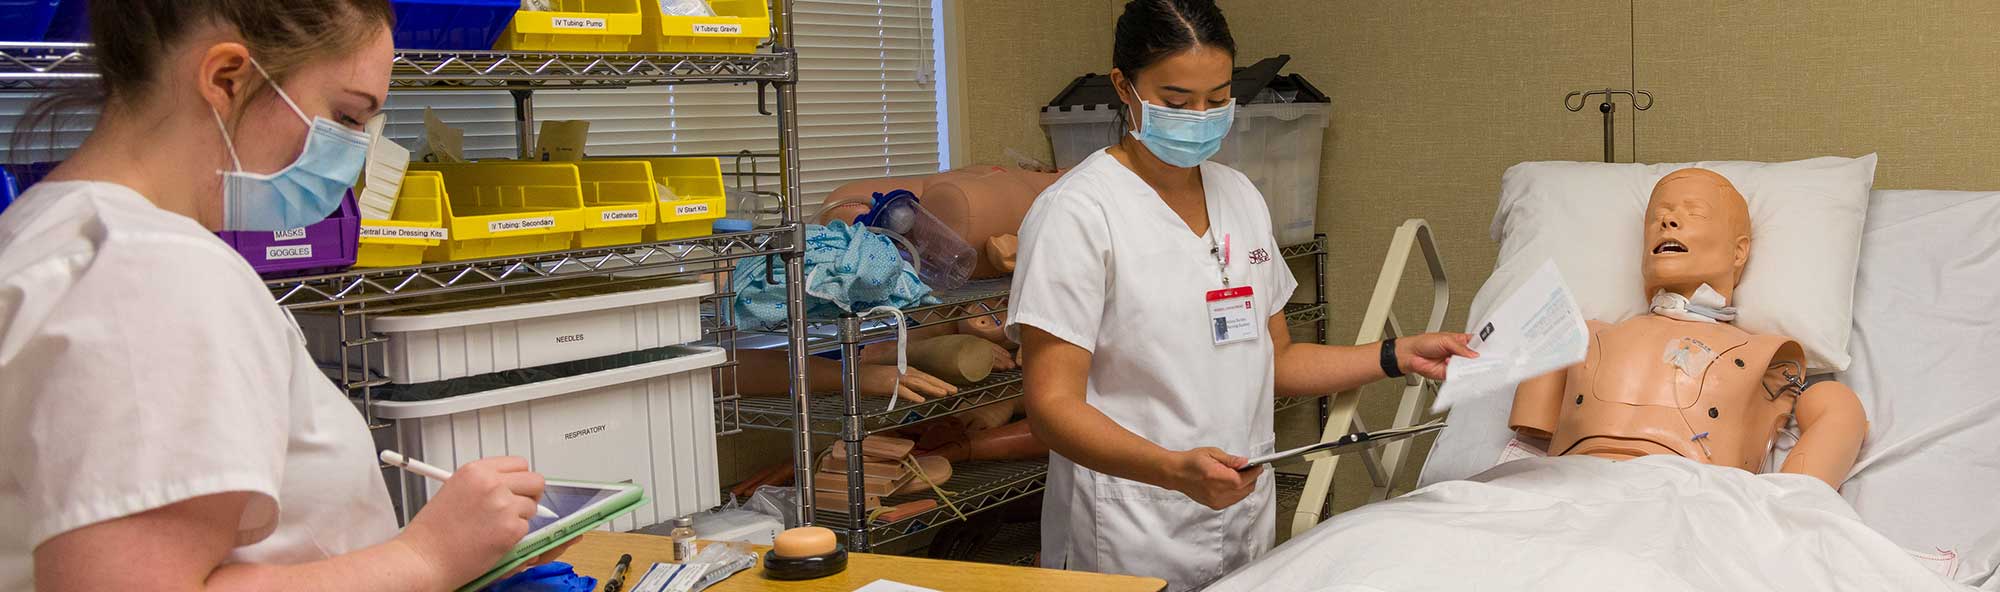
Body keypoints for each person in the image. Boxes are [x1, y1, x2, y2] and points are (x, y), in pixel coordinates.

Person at [1, 2, 556, 590]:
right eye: (345, 115)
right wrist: (429, 558)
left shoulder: (51, 226)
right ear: (226, 79)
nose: (354, 153)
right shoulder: (151, 270)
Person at [1006, 1, 1476, 588]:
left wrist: (1396, 354)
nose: (1200, 117)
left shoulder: (1239, 196)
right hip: (1129, 527)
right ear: (1125, 89)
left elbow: (1276, 360)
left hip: (1240, 518)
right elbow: (1053, 409)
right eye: (1177, 102)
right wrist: (1172, 470)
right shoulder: (1076, 214)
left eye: (1217, 98)